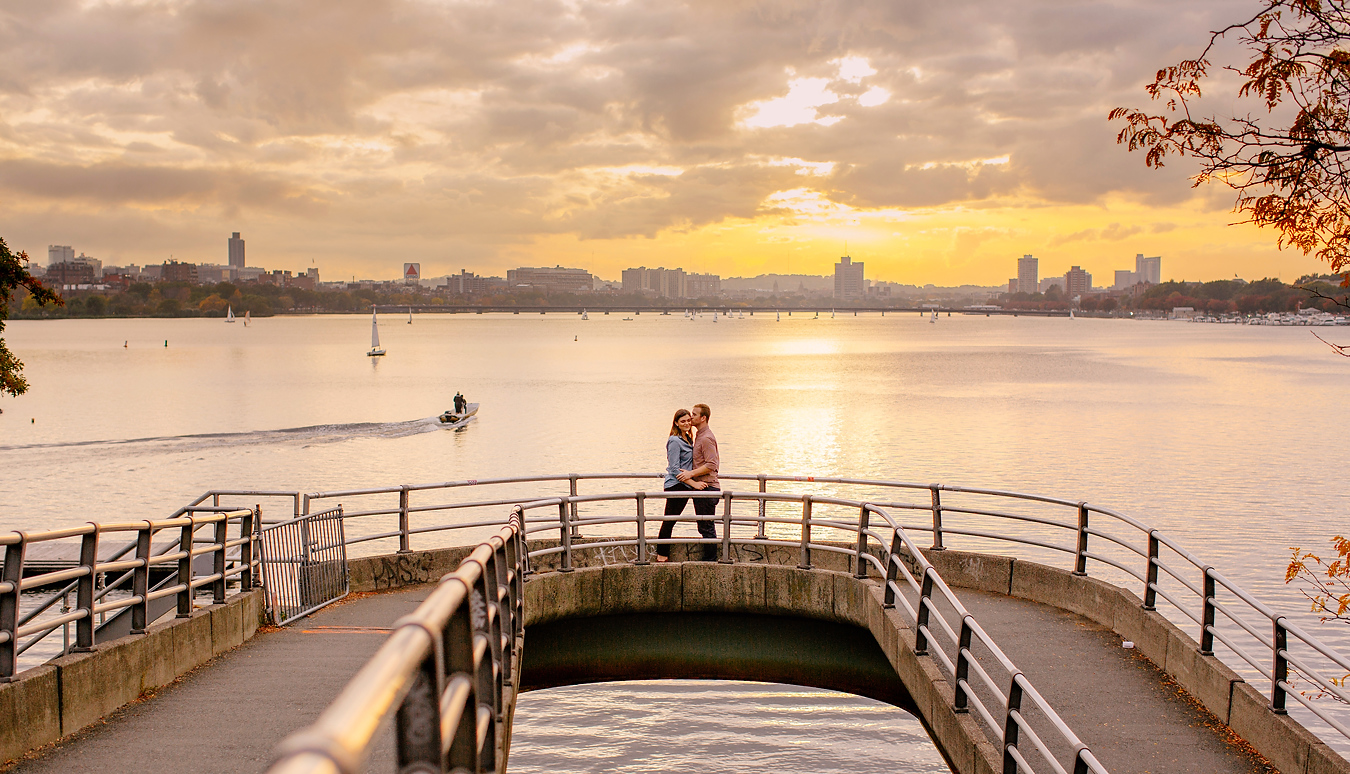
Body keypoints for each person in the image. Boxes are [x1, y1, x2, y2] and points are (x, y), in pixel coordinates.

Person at [677, 403, 719, 561]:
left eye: (694, 414)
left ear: (703, 418)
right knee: (704, 526)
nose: (691, 417)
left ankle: (710, 560)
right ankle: (709, 559)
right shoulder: (699, 435)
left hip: (707, 487)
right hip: (702, 487)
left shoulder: (706, 438)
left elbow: (711, 464)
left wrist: (690, 474)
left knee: (706, 526)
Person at [656, 409, 697, 562]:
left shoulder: (688, 438)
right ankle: (661, 555)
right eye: (683, 421)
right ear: (676, 423)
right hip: (676, 485)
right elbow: (673, 468)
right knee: (670, 520)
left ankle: (662, 553)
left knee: (671, 519)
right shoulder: (674, 440)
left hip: (684, 485)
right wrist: (694, 483)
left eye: (688, 420)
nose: (686, 423)